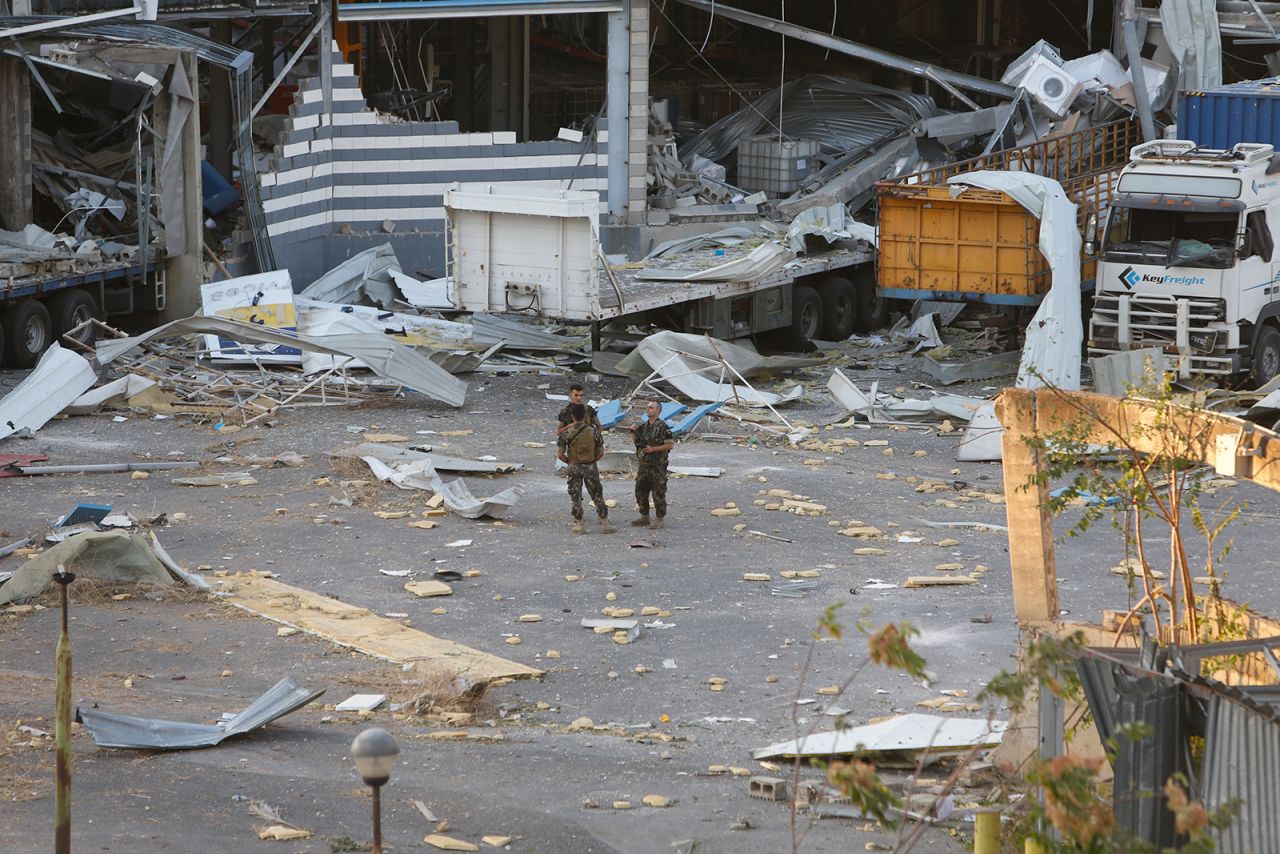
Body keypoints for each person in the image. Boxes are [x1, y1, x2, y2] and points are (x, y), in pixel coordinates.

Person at [557, 403, 615, 534]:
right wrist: (592, 461)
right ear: (585, 416)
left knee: (575, 496)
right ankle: (605, 522)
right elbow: (600, 452)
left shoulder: (567, 432)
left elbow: (560, 454)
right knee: (597, 494)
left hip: (574, 467)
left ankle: (579, 524)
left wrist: (571, 462)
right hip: (590, 466)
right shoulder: (593, 431)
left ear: (572, 416)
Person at [629, 400, 675, 529]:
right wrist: (633, 432)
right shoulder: (645, 426)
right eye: (647, 407)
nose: (647, 409)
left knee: (658, 492)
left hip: (657, 465)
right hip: (644, 464)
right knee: (640, 490)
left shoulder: (662, 426)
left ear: (657, 410)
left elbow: (670, 445)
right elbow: (637, 442)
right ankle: (644, 516)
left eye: (651, 407)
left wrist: (653, 449)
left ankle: (659, 519)